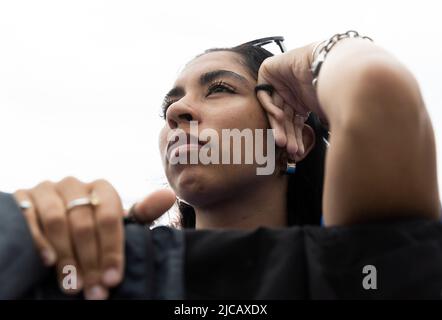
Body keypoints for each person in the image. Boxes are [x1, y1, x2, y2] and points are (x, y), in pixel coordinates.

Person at [7, 31, 442, 299]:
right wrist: (36, 235)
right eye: (170, 102)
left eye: (217, 89)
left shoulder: (352, 269)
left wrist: (311, 63)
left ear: (295, 139)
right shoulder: (112, 268)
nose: (177, 111)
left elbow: (376, 91)